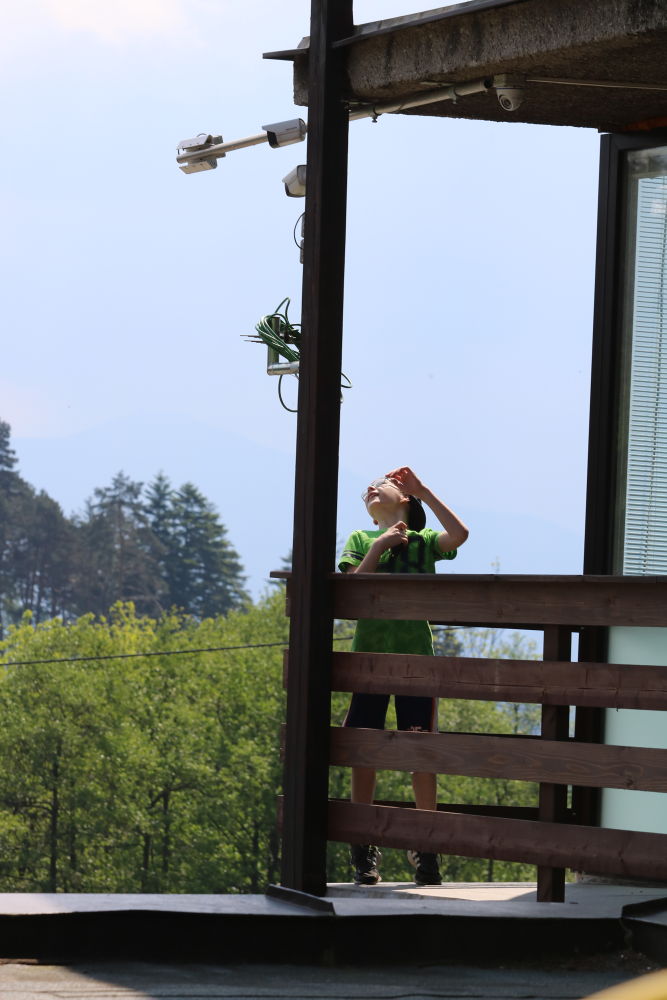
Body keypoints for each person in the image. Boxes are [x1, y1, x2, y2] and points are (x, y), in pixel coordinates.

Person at [338, 466, 469, 887]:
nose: (371, 489)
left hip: (417, 663)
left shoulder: (425, 542)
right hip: (369, 663)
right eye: (368, 490)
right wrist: (380, 546)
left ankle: (426, 845)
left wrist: (424, 490)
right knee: (365, 751)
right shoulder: (361, 540)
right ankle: (363, 844)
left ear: (406, 500)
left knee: (419, 752)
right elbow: (352, 588)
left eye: (382, 485)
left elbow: (459, 535)